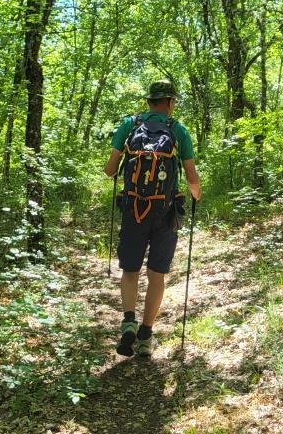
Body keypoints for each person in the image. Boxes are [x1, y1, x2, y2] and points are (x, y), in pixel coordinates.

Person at [103, 79, 201, 357]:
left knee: (130, 270)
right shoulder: (178, 130)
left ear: (149, 101)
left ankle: (128, 322)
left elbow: (110, 170)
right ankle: (146, 336)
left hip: (133, 209)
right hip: (165, 212)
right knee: (157, 274)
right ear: (170, 102)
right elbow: (192, 178)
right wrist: (196, 195)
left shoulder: (129, 125)